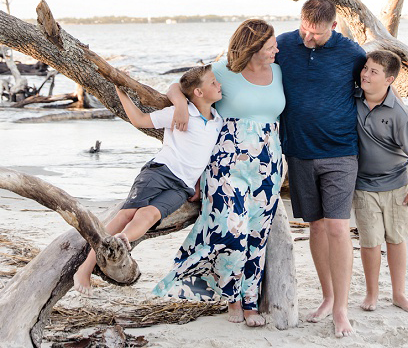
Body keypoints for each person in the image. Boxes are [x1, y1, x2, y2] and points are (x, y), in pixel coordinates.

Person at [154, 20, 285, 328]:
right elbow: (179, 84)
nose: (276, 50)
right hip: (226, 164)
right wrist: (179, 106)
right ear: (253, 49)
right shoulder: (222, 70)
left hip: (268, 164)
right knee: (231, 231)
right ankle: (232, 298)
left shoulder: (278, 71)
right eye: (270, 47)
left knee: (257, 235)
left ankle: (251, 302)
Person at [73, 66, 223, 295]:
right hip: (160, 171)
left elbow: (206, 155)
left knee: (149, 215)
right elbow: (140, 119)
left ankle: (122, 240)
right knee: (125, 214)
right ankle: (85, 267)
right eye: (213, 82)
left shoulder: (218, 122)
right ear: (199, 93)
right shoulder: (180, 112)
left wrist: (199, 182)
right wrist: (122, 92)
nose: (219, 85)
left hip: (182, 187)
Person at [276, 0, 367, 337]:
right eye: (303, 30)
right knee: (315, 227)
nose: (307, 39)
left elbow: (376, 87)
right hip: (298, 153)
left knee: (338, 229)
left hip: (341, 152)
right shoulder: (283, 44)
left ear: (333, 26)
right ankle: (328, 297)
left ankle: (341, 309)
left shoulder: (353, 53)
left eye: (314, 33)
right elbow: (239, 63)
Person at [354, 49, 408, 312]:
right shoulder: (354, 100)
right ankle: (371, 294)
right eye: (365, 68)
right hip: (364, 187)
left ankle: (398, 294)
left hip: (397, 186)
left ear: (389, 80)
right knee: (370, 242)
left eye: (374, 72)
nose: (366, 74)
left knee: (396, 239)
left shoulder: (400, 115)